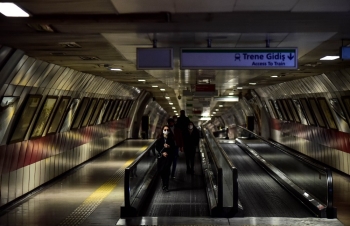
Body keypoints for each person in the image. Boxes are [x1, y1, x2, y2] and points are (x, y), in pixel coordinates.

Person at [155, 125, 176, 192]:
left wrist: (169, 146)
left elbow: (174, 148)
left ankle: (165, 185)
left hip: (168, 157)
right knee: (161, 170)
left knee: (166, 170)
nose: (166, 131)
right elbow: (157, 147)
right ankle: (163, 181)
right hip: (161, 157)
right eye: (165, 130)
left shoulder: (171, 139)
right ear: (162, 130)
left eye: (167, 130)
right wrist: (162, 152)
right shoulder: (159, 139)